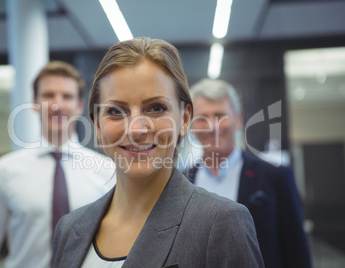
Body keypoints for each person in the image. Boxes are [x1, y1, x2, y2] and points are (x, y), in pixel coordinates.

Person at [52, 37, 264, 267]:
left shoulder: (221, 224)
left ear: (184, 119)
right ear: (98, 126)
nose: (136, 129)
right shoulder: (69, 229)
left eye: (156, 108)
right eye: (115, 111)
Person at [0, 61, 115, 268]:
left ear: (80, 106)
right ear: (35, 103)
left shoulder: (107, 171)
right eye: (48, 95)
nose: (57, 104)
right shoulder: (4, 171)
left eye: (67, 96)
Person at [187, 78, 311, 268]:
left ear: (238, 120)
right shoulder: (182, 181)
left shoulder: (275, 177)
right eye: (202, 118)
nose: (212, 126)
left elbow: (297, 254)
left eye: (220, 116)